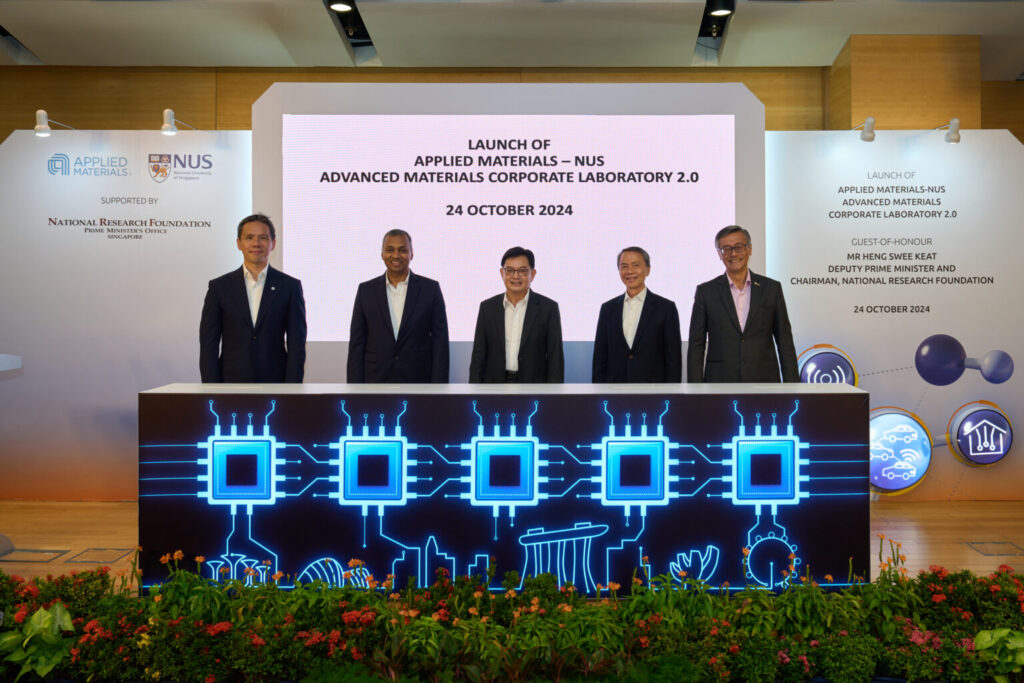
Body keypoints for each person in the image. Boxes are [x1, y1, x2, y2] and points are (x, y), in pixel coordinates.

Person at [200, 213, 306, 383]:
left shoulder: (290, 287)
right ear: (239, 243)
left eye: (263, 238)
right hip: (230, 382)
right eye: (249, 237)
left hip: (276, 382)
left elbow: (297, 344)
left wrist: (292, 389)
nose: (256, 244)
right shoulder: (219, 287)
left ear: (273, 243)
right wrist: (211, 388)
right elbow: (208, 344)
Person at [687, 225, 799, 383]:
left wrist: (793, 386)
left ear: (749, 249)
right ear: (719, 254)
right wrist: (695, 389)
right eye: (726, 248)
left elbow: (784, 340)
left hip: (764, 380)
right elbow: (696, 345)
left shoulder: (771, 289)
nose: (733, 253)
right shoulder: (706, 292)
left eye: (738, 247)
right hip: (720, 382)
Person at [347, 230, 449, 383]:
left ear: (411, 254)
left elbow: (440, 343)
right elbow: (357, 343)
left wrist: (439, 388)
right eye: (390, 250)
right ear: (382, 254)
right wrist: (354, 389)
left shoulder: (430, 289)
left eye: (402, 250)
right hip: (375, 379)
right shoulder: (365, 291)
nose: (395, 255)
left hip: (418, 380)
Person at [469, 247, 563, 383]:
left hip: (533, 388)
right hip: (494, 387)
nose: (515, 276)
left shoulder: (548, 308)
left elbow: (555, 359)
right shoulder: (487, 308)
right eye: (510, 270)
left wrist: (554, 398)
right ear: (502, 273)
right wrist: (474, 392)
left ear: (533, 274)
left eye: (522, 271)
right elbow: (478, 356)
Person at [593, 247, 682, 383]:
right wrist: (597, 393)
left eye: (636, 265)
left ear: (647, 270)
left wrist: (671, 395)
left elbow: (673, 360)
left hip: (653, 391)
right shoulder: (607, 309)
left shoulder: (666, 308)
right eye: (624, 266)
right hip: (614, 391)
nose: (629, 271)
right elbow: (600, 357)